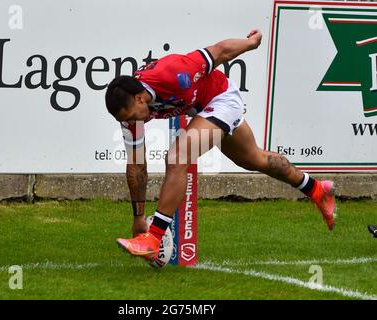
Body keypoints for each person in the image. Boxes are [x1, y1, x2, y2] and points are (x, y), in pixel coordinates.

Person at [105, 29, 336, 265]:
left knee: (177, 156)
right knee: (254, 159)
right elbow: (136, 166)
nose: (135, 123)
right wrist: (138, 217)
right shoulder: (129, 116)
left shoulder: (173, 72)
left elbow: (220, 51)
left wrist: (250, 43)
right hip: (201, 109)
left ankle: (153, 239)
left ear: (140, 99)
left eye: (135, 116)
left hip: (221, 98)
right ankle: (317, 189)